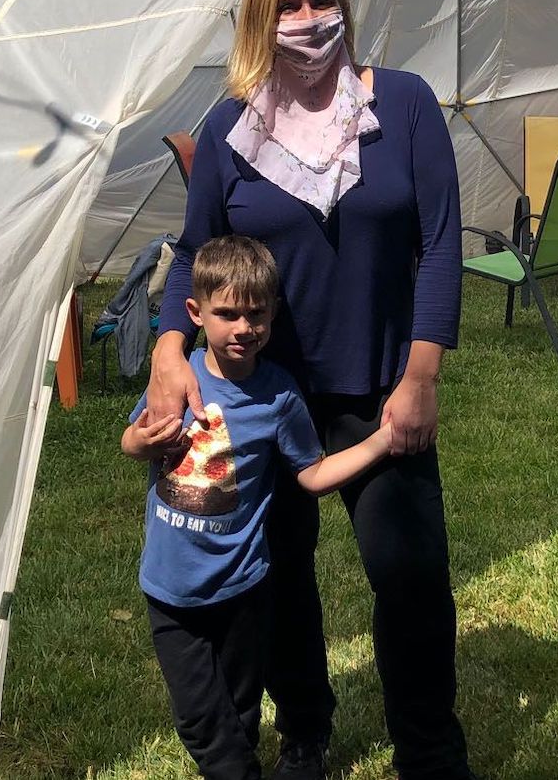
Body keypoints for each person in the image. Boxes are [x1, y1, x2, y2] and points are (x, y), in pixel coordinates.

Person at [144, 0, 474, 780]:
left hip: (379, 385)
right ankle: (304, 728)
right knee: (278, 579)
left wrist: (423, 373)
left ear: (344, 6)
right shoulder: (231, 127)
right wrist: (166, 349)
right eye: (287, 5)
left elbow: (438, 243)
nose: (308, 18)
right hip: (265, 398)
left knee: (410, 579)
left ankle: (429, 752)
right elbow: (193, 252)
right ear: (261, 17)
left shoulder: (401, 105)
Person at [123, 234, 394, 780]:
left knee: (240, 710)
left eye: (256, 315)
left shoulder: (279, 396)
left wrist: (382, 441)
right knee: (202, 720)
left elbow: (313, 474)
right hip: (171, 590)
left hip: (244, 590)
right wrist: (142, 443)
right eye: (227, 315)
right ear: (196, 313)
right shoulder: (176, 379)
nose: (243, 329)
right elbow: (132, 439)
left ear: (273, 314)